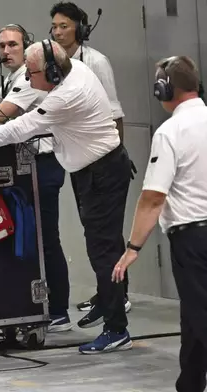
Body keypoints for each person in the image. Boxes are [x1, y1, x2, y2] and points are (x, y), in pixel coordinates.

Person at [0, 39, 133, 354]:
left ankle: (116, 328)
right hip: (95, 171)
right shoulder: (73, 69)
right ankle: (112, 303)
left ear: (52, 70)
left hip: (102, 174)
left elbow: (20, 128)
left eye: (33, 73)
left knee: (102, 250)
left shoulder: (67, 95)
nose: (27, 79)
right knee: (105, 246)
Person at [0, 24, 72, 332]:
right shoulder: (12, 78)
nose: (7, 51)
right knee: (32, 236)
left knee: (46, 237)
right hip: (27, 169)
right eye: (2, 46)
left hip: (44, 166)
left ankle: (59, 308)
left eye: (13, 45)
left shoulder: (29, 77)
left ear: (26, 48)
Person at [112, 56, 207, 391]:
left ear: (163, 89)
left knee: (201, 316)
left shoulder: (171, 132)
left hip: (194, 240)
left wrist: (133, 247)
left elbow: (153, 197)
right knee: (193, 320)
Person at [50, 1, 133, 326]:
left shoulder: (96, 62)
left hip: (103, 164)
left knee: (106, 236)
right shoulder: (57, 63)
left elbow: (114, 113)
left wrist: (115, 156)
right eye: (55, 26)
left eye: (64, 26)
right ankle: (106, 292)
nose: (58, 31)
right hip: (79, 162)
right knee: (94, 233)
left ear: (80, 28)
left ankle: (117, 297)